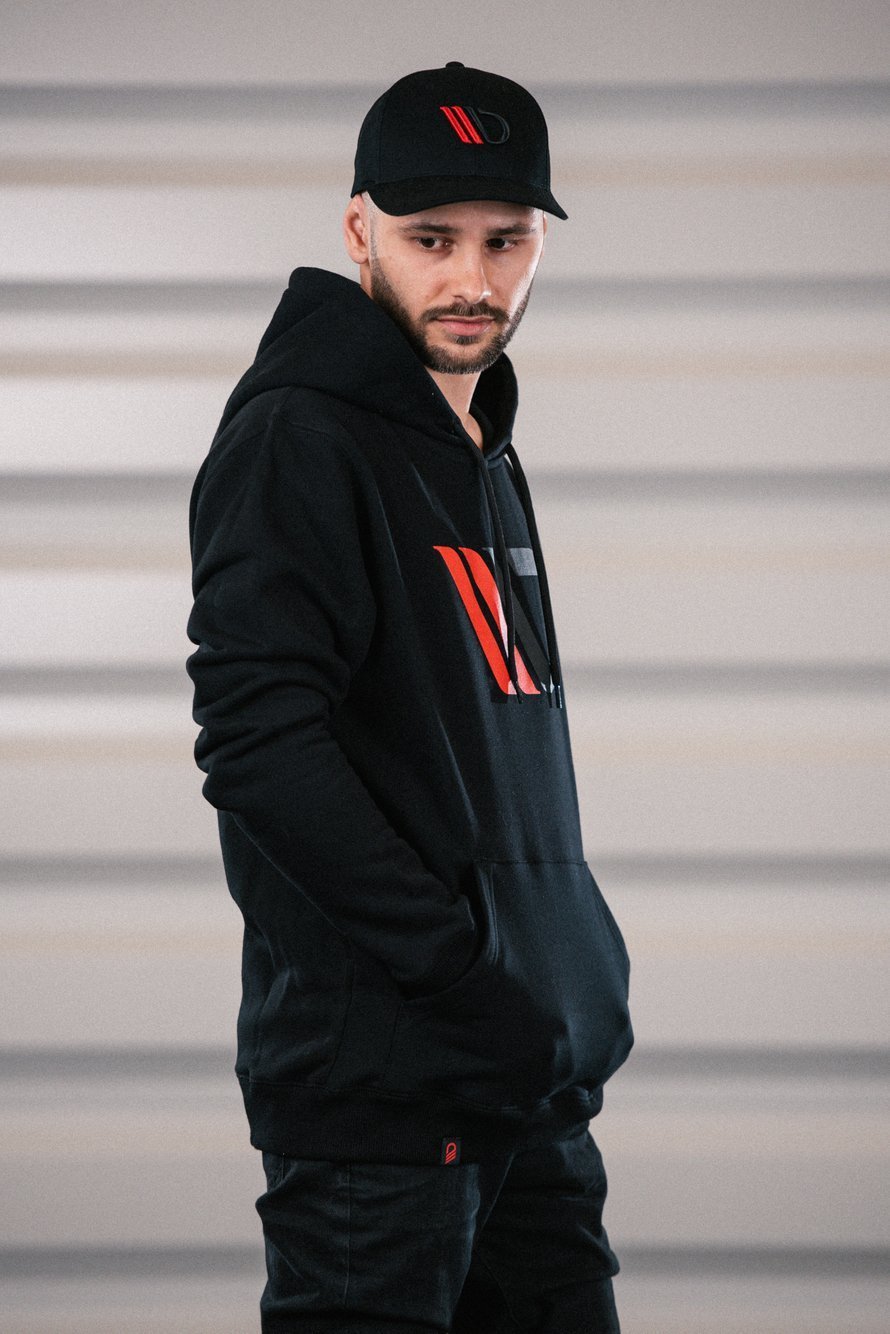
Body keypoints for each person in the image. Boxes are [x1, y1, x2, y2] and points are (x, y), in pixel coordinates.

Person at [186, 60, 634, 1334]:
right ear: (358, 230)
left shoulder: (478, 443)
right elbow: (258, 744)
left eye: (506, 240)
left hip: (523, 1083)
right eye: (430, 238)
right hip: (383, 1106)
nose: (471, 279)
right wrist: (461, 970)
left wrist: (565, 965)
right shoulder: (300, 436)